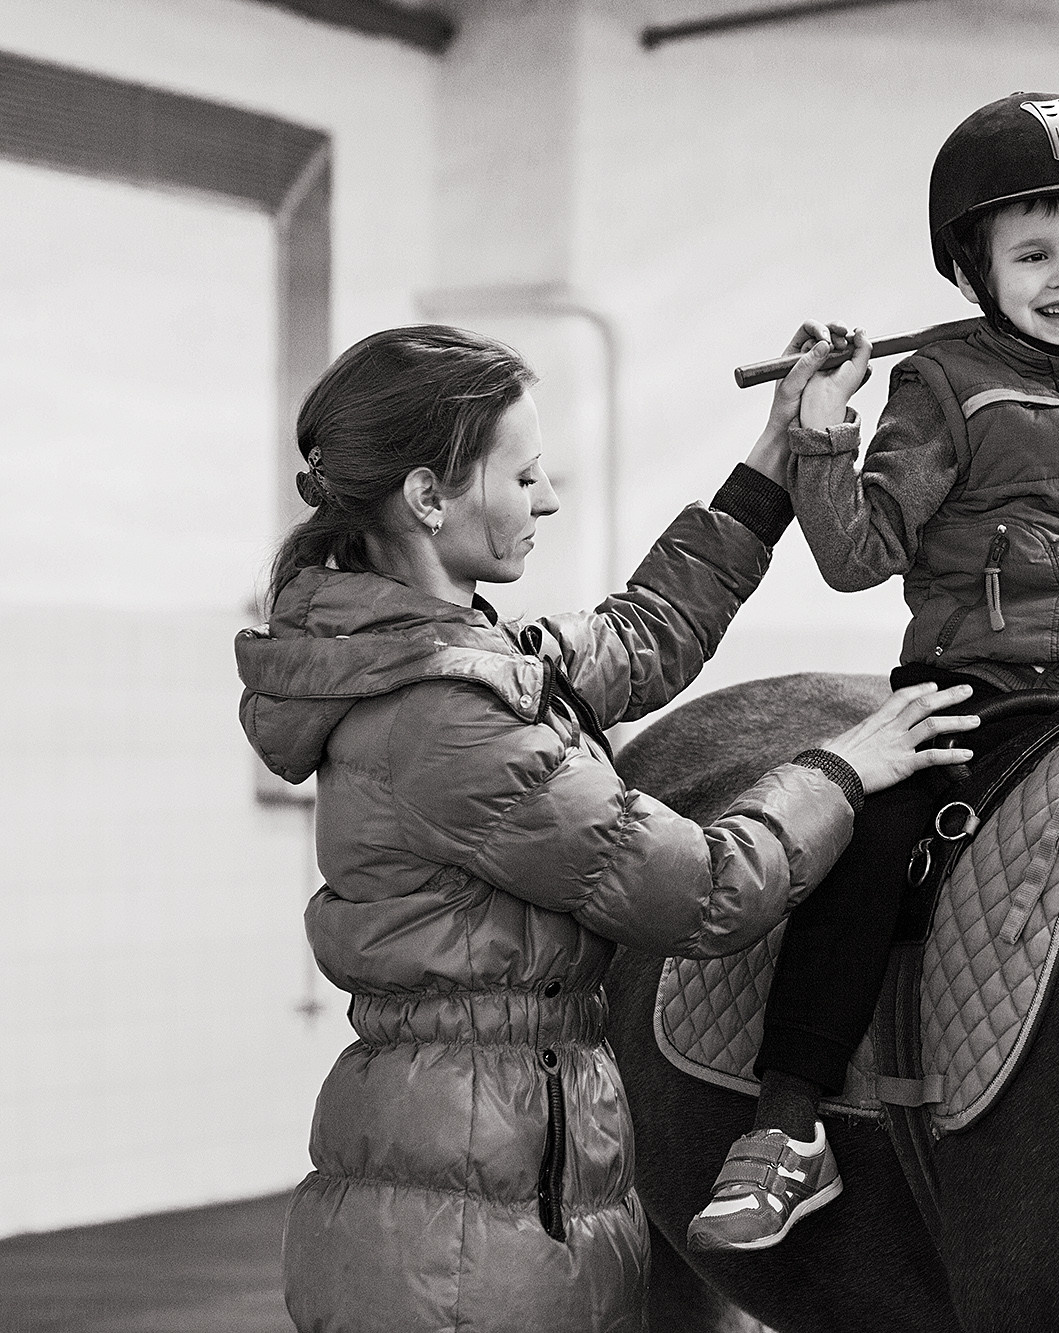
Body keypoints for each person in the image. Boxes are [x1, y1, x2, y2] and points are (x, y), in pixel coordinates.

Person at [236, 324, 978, 1332]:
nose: (546, 499)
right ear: (426, 498)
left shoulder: (464, 659)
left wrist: (769, 457)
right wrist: (841, 767)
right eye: (526, 475)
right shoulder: (443, 718)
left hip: (504, 1165)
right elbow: (704, 890)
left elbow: (640, 634)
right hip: (469, 1233)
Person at [685, 91, 1059, 1252]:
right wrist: (823, 431)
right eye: (1031, 253)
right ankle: (786, 1127)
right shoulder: (943, 388)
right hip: (991, 695)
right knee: (866, 846)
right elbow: (855, 554)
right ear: (973, 271)